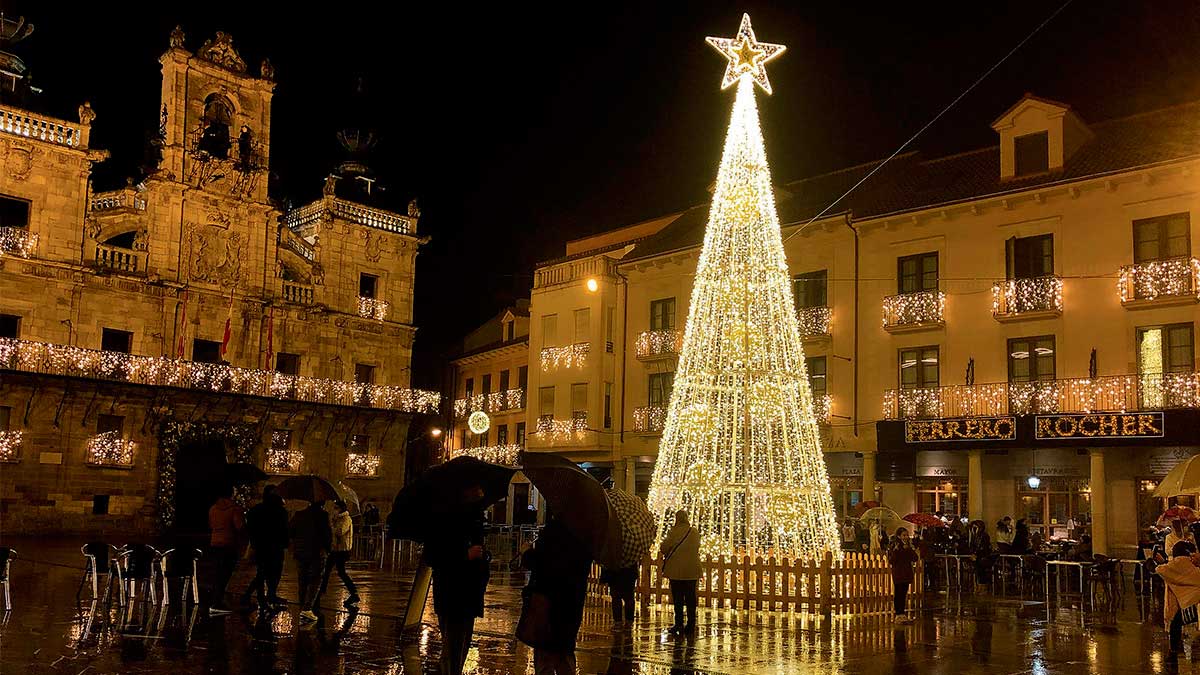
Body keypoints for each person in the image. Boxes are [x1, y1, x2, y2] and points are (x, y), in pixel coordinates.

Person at [424, 484, 490, 675]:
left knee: (461, 644)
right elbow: (433, 556)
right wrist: (465, 555)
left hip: (469, 591)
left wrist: (483, 556)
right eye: (476, 488)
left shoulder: (475, 521)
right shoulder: (444, 519)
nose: (481, 492)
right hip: (452, 592)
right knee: (452, 646)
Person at [521, 516, 592, 674]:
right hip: (572, 603)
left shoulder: (555, 529)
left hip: (548, 603)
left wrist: (526, 552)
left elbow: (542, 564)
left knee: (545, 657)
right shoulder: (587, 533)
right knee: (565, 654)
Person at [242, 485, 289, 610]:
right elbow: (284, 529)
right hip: (275, 547)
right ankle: (267, 596)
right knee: (273, 573)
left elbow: (250, 528)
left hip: (260, 546)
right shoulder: (280, 511)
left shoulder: (255, 510)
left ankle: (260, 596)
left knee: (262, 572)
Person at [289, 499, 332, 624]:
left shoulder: (299, 514)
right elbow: (327, 535)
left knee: (302, 579)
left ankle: (303, 605)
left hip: (301, 552)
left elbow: (290, 531)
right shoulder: (323, 516)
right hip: (316, 552)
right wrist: (328, 549)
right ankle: (307, 608)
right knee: (315, 580)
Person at [660, 509, 701, 634]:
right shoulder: (694, 532)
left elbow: (664, 548)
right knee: (690, 598)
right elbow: (697, 546)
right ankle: (691, 624)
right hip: (691, 571)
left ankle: (678, 624)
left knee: (678, 598)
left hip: (676, 571)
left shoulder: (673, 532)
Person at [207, 483, 245, 614]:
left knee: (217, 573)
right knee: (224, 574)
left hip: (215, 542)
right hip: (229, 544)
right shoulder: (234, 509)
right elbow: (239, 527)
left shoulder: (213, 508)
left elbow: (212, 524)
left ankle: (215, 600)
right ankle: (217, 602)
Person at [1156, 541, 1200, 655]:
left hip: (1191, 604)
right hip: (1196, 602)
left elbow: (1159, 569)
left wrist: (1161, 561)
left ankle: (1173, 651)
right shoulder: (1193, 565)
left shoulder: (1172, 565)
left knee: (1175, 623)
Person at [319, 499, 360, 608]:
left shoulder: (346, 519)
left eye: (336, 508)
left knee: (341, 572)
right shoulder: (337, 519)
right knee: (327, 570)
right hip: (335, 550)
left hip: (342, 550)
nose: (334, 510)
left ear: (341, 509)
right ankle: (321, 591)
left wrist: (332, 525)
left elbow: (340, 532)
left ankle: (354, 593)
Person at [888, 527, 919, 624]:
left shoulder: (908, 546)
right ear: (899, 536)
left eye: (906, 535)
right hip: (898, 573)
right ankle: (898, 614)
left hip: (906, 573)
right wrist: (898, 550)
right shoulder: (894, 546)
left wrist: (909, 549)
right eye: (904, 535)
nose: (906, 537)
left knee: (904, 594)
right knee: (898, 594)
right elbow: (892, 560)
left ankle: (902, 614)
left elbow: (915, 558)